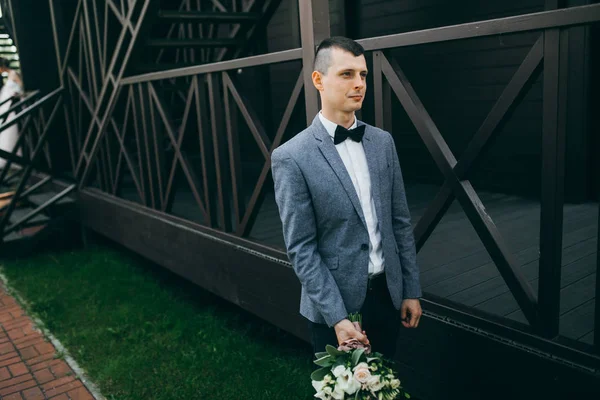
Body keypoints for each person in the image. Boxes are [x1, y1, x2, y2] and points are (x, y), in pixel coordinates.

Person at [271, 36, 422, 360]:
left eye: (363, 75)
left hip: (387, 297)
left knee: (386, 385)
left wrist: (410, 289)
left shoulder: (383, 143)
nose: (359, 84)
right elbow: (301, 248)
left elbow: (400, 222)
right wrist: (337, 317)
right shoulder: (291, 157)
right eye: (347, 74)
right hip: (333, 305)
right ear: (318, 80)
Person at [0, 56, 24, 170]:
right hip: (6, 107)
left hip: (12, 107)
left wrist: (16, 94)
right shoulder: (8, 75)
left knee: (11, 130)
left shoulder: (14, 74)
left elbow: (21, 87)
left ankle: (14, 157)